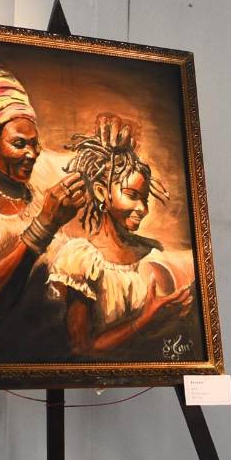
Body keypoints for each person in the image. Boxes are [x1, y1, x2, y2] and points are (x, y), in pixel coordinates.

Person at [0, 60, 87, 333]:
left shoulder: (35, 174)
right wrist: (43, 225)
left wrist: (111, 147)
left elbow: (84, 166)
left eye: (35, 144)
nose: (32, 154)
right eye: (19, 144)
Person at [47, 114, 197, 358]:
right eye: (132, 195)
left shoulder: (151, 253)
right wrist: (146, 319)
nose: (143, 209)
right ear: (100, 192)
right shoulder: (80, 259)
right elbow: (81, 347)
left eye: (145, 199)